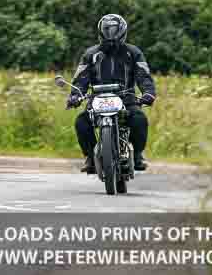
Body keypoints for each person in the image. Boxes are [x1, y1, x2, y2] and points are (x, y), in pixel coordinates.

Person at [66, 14, 156, 174]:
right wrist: (75, 95)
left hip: (127, 98)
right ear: (101, 32)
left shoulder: (133, 53)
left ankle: (137, 155)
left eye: (114, 31)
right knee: (82, 122)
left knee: (139, 119)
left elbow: (143, 75)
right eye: (107, 31)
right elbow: (81, 78)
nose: (111, 35)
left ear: (122, 32)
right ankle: (90, 158)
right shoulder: (90, 54)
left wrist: (148, 93)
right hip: (97, 100)